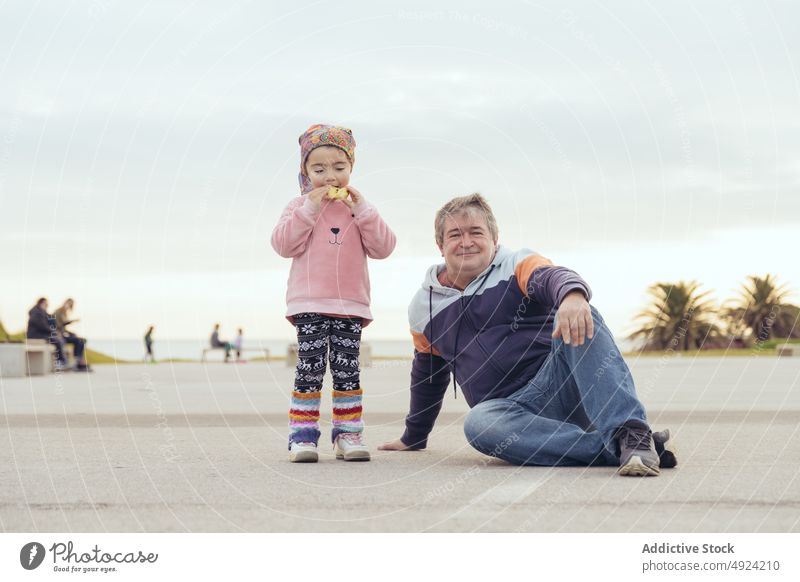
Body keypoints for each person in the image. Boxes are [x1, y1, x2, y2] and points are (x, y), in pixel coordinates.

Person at [379, 193, 677, 477]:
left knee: (583, 315)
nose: (466, 242)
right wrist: (414, 436)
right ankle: (620, 448)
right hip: (510, 414)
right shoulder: (423, 307)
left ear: (494, 239)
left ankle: (632, 432)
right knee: (478, 424)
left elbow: (552, 277)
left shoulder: (516, 263)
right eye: (455, 235)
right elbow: (428, 376)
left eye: (476, 232)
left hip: (563, 384)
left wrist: (573, 295)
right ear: (439, 244)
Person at [271, 124, 396, 463]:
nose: (330, 176)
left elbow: (384, 247)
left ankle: (348, 434)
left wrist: (365, 210)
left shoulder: (359, 209)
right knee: (309, 369)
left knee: (346, 370)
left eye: (339, 168)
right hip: (309, 302)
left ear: (351, 168)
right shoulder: (298, 205)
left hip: (351, 304)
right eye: (319, 169)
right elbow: (283, 244)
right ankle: (302, 436)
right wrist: (309, 208)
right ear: (306, 172)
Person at [54, 298, 90, 371]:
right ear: (65, 302)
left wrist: (70, 332)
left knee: (82, 340)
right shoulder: (58, 312)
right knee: (78, 340)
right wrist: (71, 322)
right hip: (58, 335)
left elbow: (63, 327)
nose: (69, 306)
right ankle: (77, 362)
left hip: (63, 334)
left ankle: (78, 360)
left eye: (71, 305)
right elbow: (58, 326)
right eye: (69, 304)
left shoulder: (64, 312)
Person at [26, 297, 65, 365]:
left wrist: (56, 330)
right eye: (46, 304)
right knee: (57, 341)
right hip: (35, 335)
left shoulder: (41, 312)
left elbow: (50, 318)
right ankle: (60, 362)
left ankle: (62, 361)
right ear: (42, 303)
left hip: (40, 334)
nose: (47, 306)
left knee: (60, 340)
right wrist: (54, 332)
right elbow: (42, 326)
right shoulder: (36, 313)